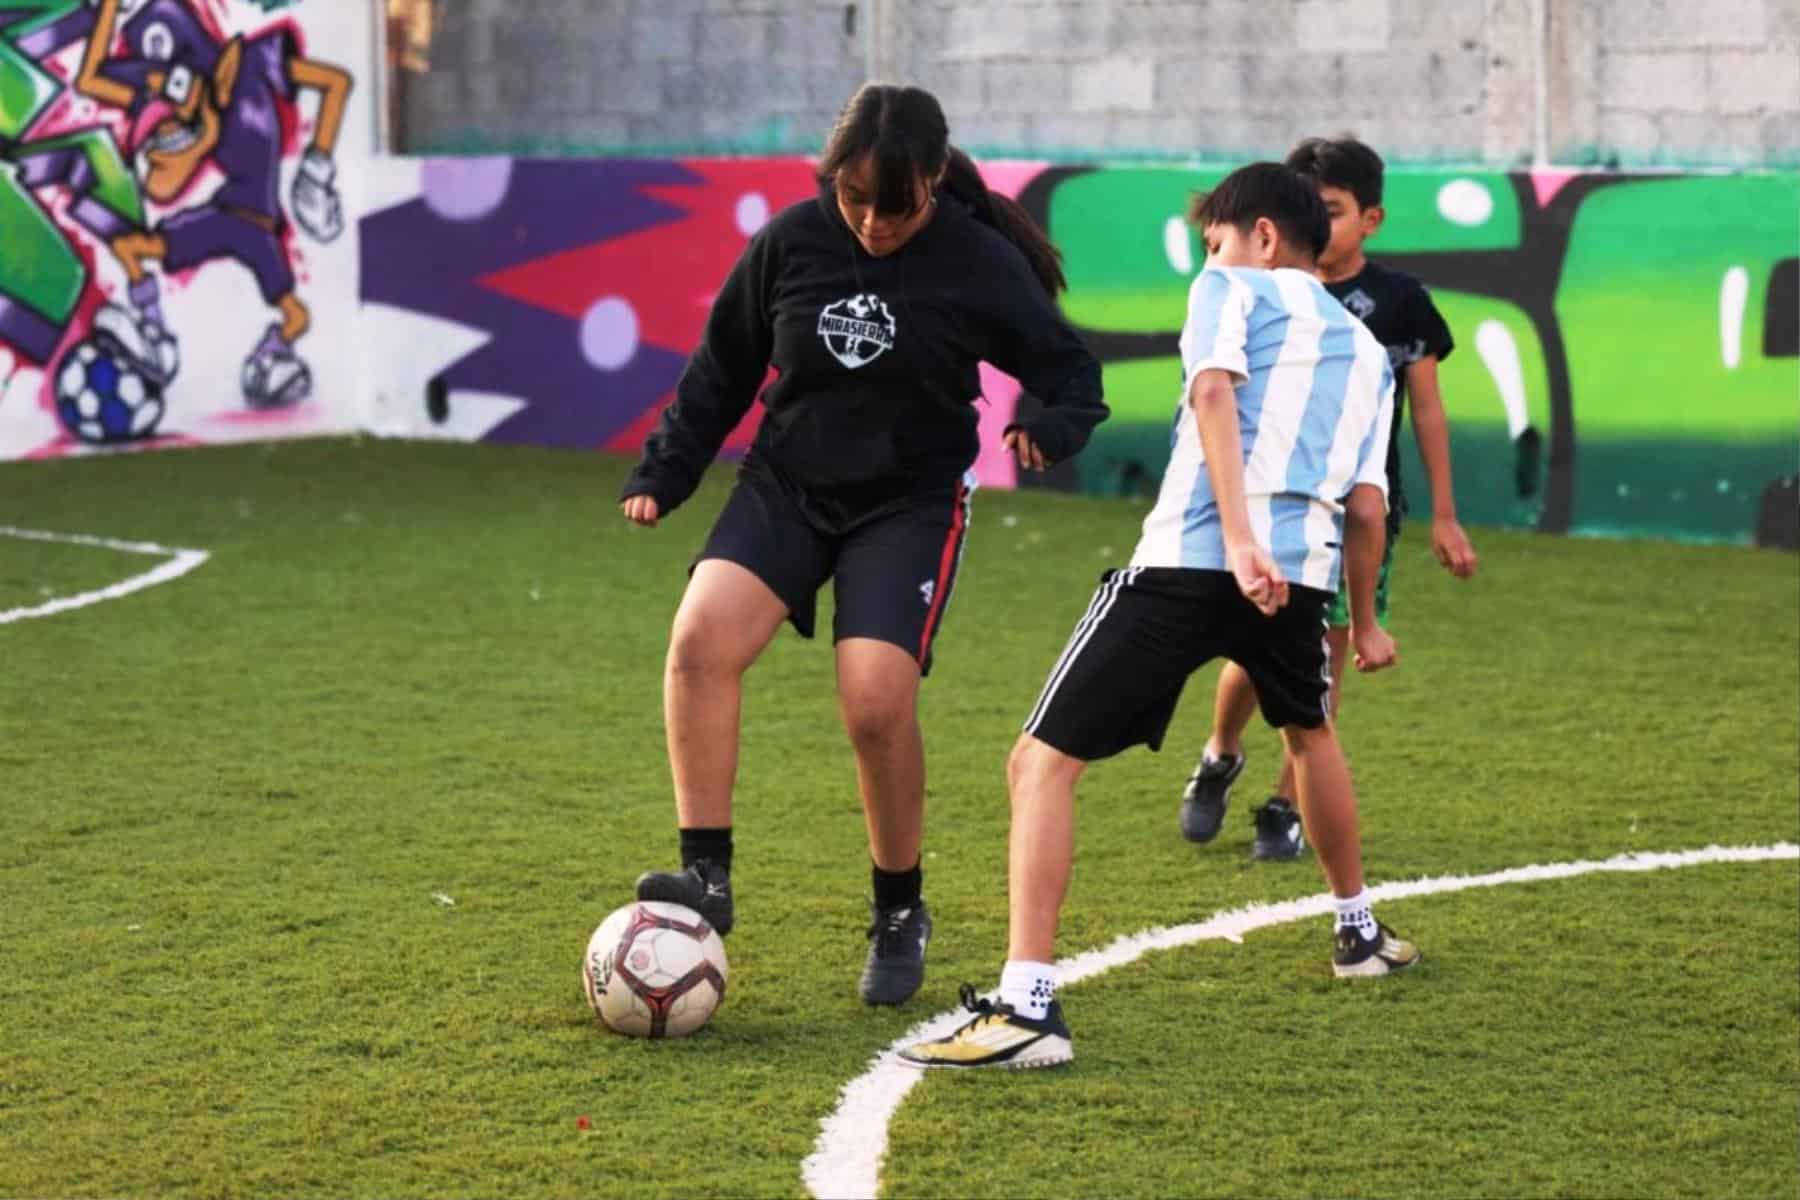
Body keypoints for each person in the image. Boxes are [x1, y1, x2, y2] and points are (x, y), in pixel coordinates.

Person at [901, 162, 1416, 1070]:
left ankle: (1027, 1009)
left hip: (1190, 560)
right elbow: (1369, 507)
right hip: (1298, 582)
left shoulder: (1230, 287)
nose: (1211, 254)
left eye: (1217, 238)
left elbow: (1213, 392)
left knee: (1040, 764)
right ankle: (1358, 933)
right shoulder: (1372, 358)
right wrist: (1362, 617)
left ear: (1259, 236)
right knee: (1309, 736)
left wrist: (1242, 536)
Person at [619, 84, 1107, 1008]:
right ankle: (707, 878)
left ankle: (897, 910)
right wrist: (664, 472)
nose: (875, 222)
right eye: (855, 200)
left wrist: (1052, 423)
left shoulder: (974, 260)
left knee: (875, 703)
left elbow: (1067, 368)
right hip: (787, 486)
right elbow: (722, 369)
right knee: (697, 644)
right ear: (831, 178)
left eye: (898, 203)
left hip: (909, 503)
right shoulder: (790, 244)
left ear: (932, 180)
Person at [1179, 136, 1478, 861]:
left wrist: (1444, 513)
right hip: (1268, 504)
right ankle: (1221, 752)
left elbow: (1428, 407)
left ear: (1369, 218)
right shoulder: (1250, 291)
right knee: (1252, 653)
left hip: (1355, 509)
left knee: (1322, 657)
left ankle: (1284, 802)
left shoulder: (1400, 304)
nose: (1323, 222)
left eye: (1335, 210)